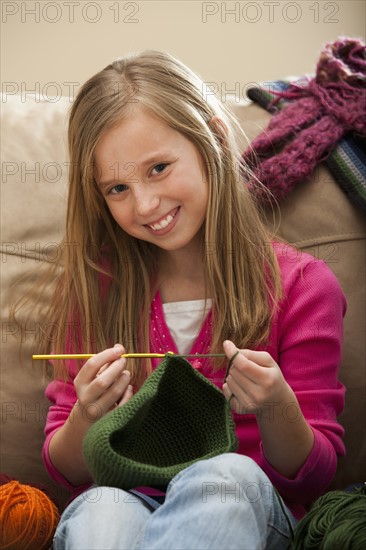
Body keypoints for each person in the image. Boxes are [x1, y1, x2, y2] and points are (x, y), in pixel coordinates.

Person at [36, 50, 346, 549]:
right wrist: (86, 417)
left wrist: (276, 406)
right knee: (102, 507)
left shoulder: (303, 287)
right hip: (128, 497)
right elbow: (67, 472)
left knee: (218, 478)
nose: (145, 204)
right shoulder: (96, 290)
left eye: (158, 168)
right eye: (118, 187)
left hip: (245, 505)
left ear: (214, 140)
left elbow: (312, 478)